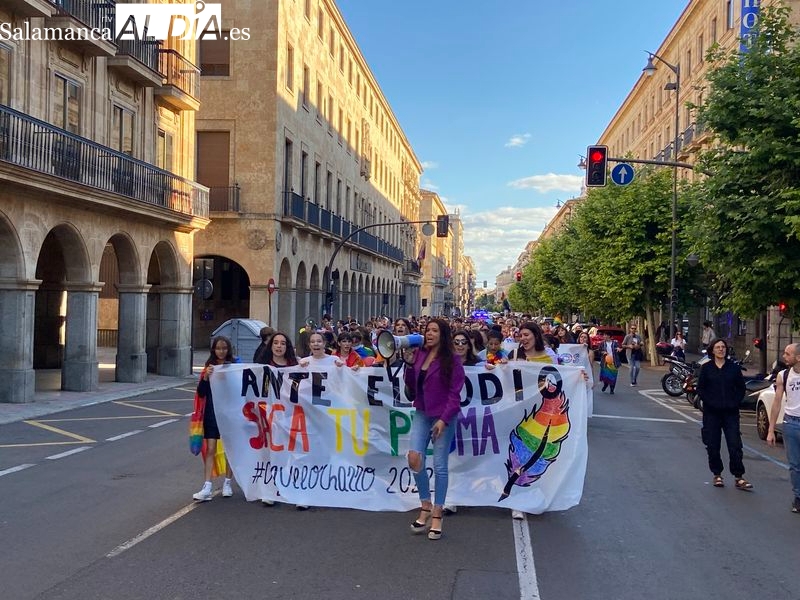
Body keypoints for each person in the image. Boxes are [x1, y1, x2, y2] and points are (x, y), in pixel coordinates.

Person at [403, 318, 465, 540]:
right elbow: (411, 385)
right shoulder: (419, 354)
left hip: (443, 416)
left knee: (439, 465)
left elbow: (454, 395)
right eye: (427, 330)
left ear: (443, 334)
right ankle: (425, 504)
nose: (429, 334)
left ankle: (437, 512)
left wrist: (444, 420)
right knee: (414, 458)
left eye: (434, 330)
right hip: (422, 412)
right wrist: (409, 364)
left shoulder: (453, 360)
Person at [696, 338, 751, 490]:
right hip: (711, 413)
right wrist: (709, 401)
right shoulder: (706, 368)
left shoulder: (733, 368)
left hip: (730, 413)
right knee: (712, 445)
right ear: (712, 350)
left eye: (723, 347)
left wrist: (734, 402)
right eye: (718, 347)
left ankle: (738, 476)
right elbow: (701, 389)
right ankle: (717, 474)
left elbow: (741, 388)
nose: (721, 349)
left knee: (734, 445)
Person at [191, 336, 237, 502]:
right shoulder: (208, 368)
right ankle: (207, 485)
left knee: (229, 450)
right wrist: (205, 377)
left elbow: (239, 390)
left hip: (229, 413)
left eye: (224, 348)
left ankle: (227, 483)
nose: (221, 351)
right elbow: (201, 393)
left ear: (228, 349)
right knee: (210, 449)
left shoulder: (234, 367)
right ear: (213, 350)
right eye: (218, 348)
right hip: (212, 412)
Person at [767, 343, 800, 513]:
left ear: (798, 357)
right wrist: (771, 430)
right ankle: (798, 497)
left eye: (788, 354)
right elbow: (777, 403)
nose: (784, 356)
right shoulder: (783, 375)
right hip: (791, 423)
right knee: (795, 464)